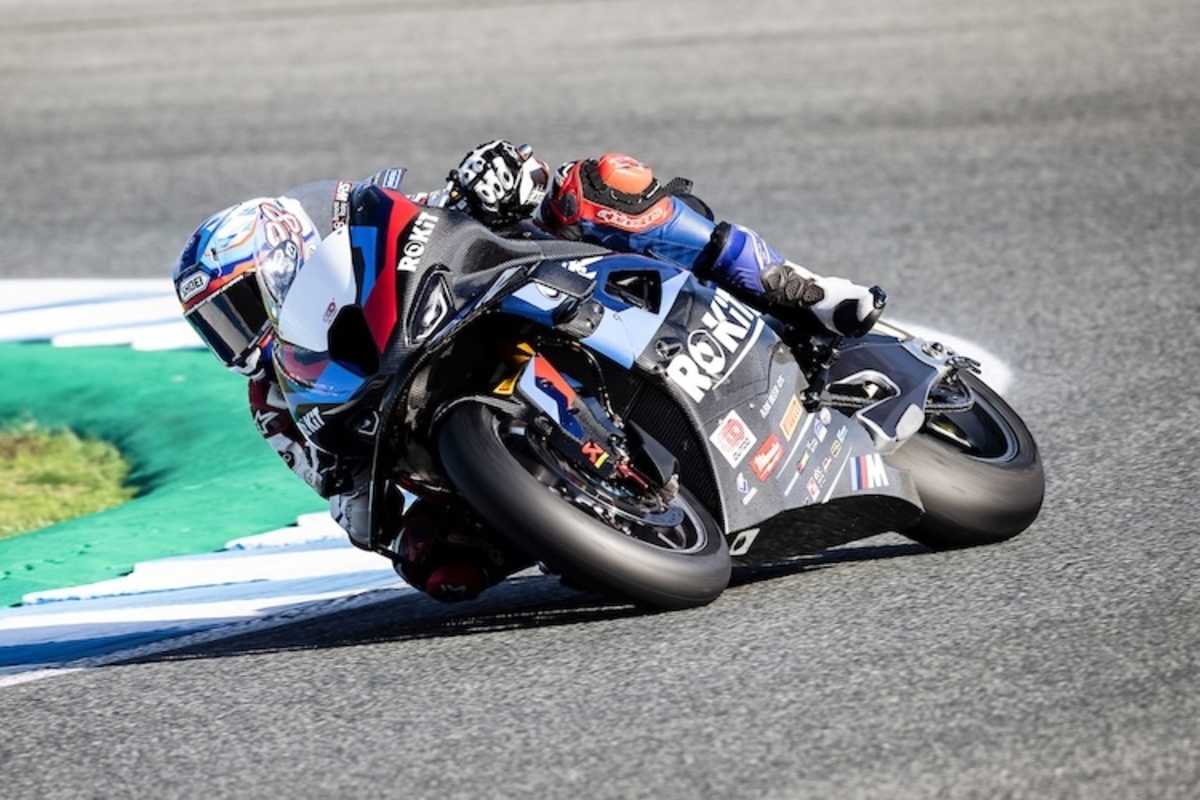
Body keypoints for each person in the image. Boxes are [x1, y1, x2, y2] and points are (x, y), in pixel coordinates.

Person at [171, 140, 886, 602]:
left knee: (598, 185)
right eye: (217, 326)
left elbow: (449, 210)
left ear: (284, 257)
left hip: (533, 287)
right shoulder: (275, 397)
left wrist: (501, 177)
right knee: (434, 564)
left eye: (238, 307)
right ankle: (588, 515)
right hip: (439, 418)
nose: (237, 335)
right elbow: (346, 501)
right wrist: (377, 502)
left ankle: (798, 289)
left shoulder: (355, 231)